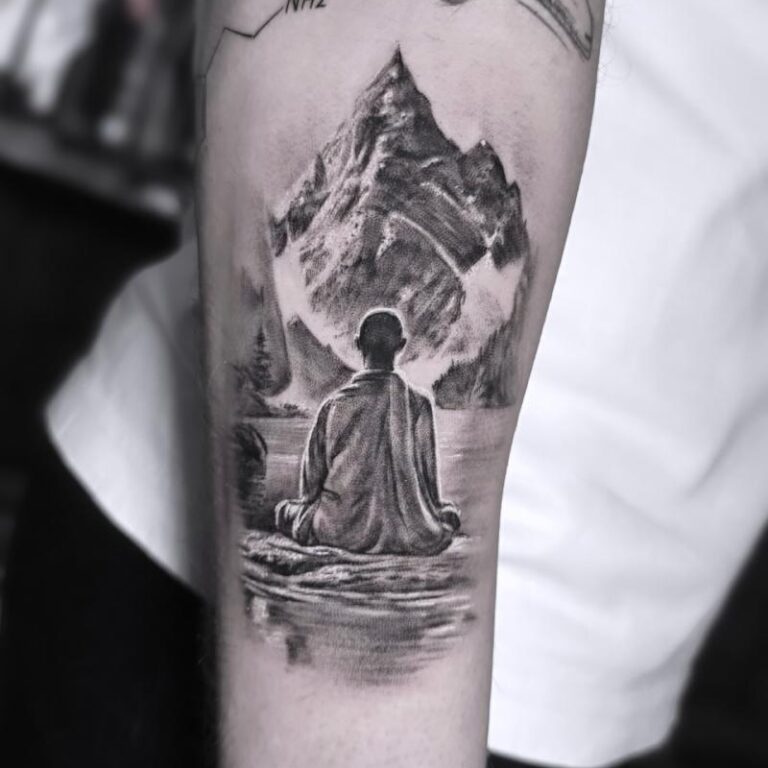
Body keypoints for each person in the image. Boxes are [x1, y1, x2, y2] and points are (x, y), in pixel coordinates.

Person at [275, 309, 460, 555]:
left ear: (358, 344)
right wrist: (431, 512)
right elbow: (430, 487)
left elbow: (310, 489)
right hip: (409, 529)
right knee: (448, 514)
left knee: (284, 512)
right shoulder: (420, 404)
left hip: (338, 530)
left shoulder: (334, 405)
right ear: (401, 345)